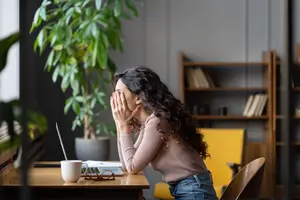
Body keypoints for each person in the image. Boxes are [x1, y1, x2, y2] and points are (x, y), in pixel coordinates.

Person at [110, 66, 217, 200]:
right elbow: (127, 164)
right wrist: (119, 124)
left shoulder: (158, 121)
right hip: (188, 189)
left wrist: (123, 126)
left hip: (195, 192)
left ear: (137, 98)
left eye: (119, 94)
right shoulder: (149, 122)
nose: (115, 100)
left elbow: (132, 167)